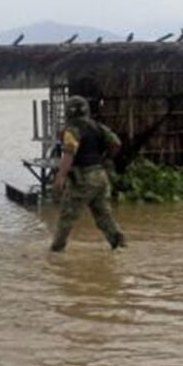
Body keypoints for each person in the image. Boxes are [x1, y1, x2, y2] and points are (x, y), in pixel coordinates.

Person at [50, 95, 126, 252]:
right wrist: (104, 159)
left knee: (67, 216)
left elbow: (69, 154)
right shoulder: (97, 126)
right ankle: (119, 244)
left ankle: (56, 251)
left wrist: (60, 176)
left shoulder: (72, 130)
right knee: (104, 215)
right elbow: (116, 143)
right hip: (100, 176)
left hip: (82, 179)